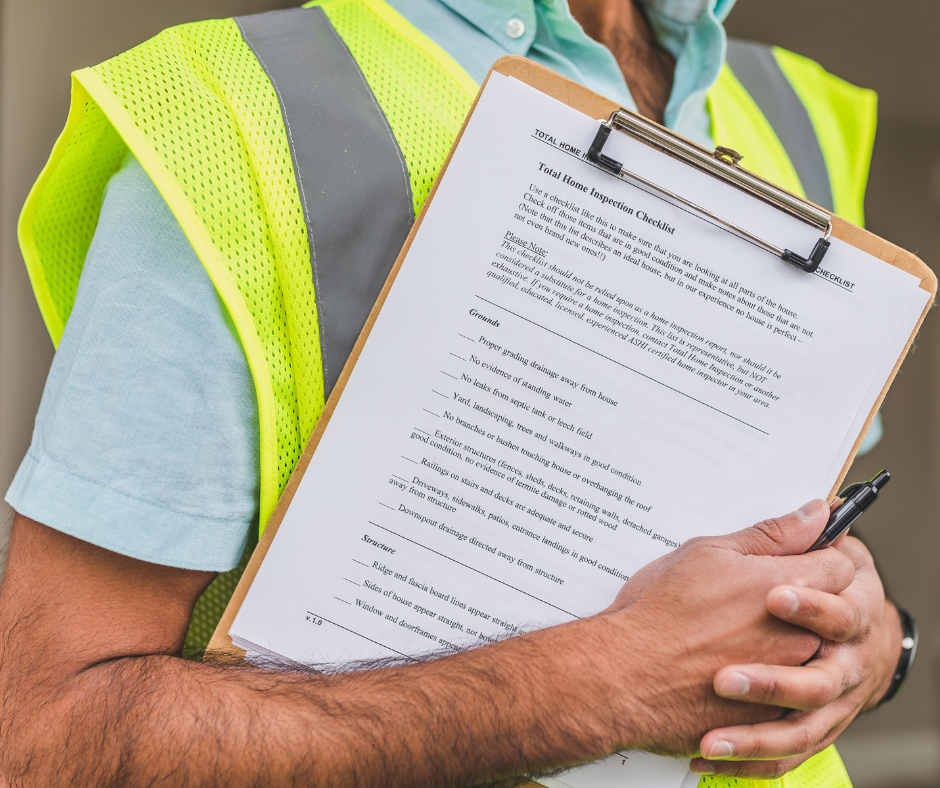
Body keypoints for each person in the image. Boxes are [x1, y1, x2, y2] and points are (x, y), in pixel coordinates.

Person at [0, 0, 904, 784]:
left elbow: (788, 537)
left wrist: (872, 645)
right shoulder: (228, 117)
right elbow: (47, 742)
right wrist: (604, 684)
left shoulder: (794, 106)